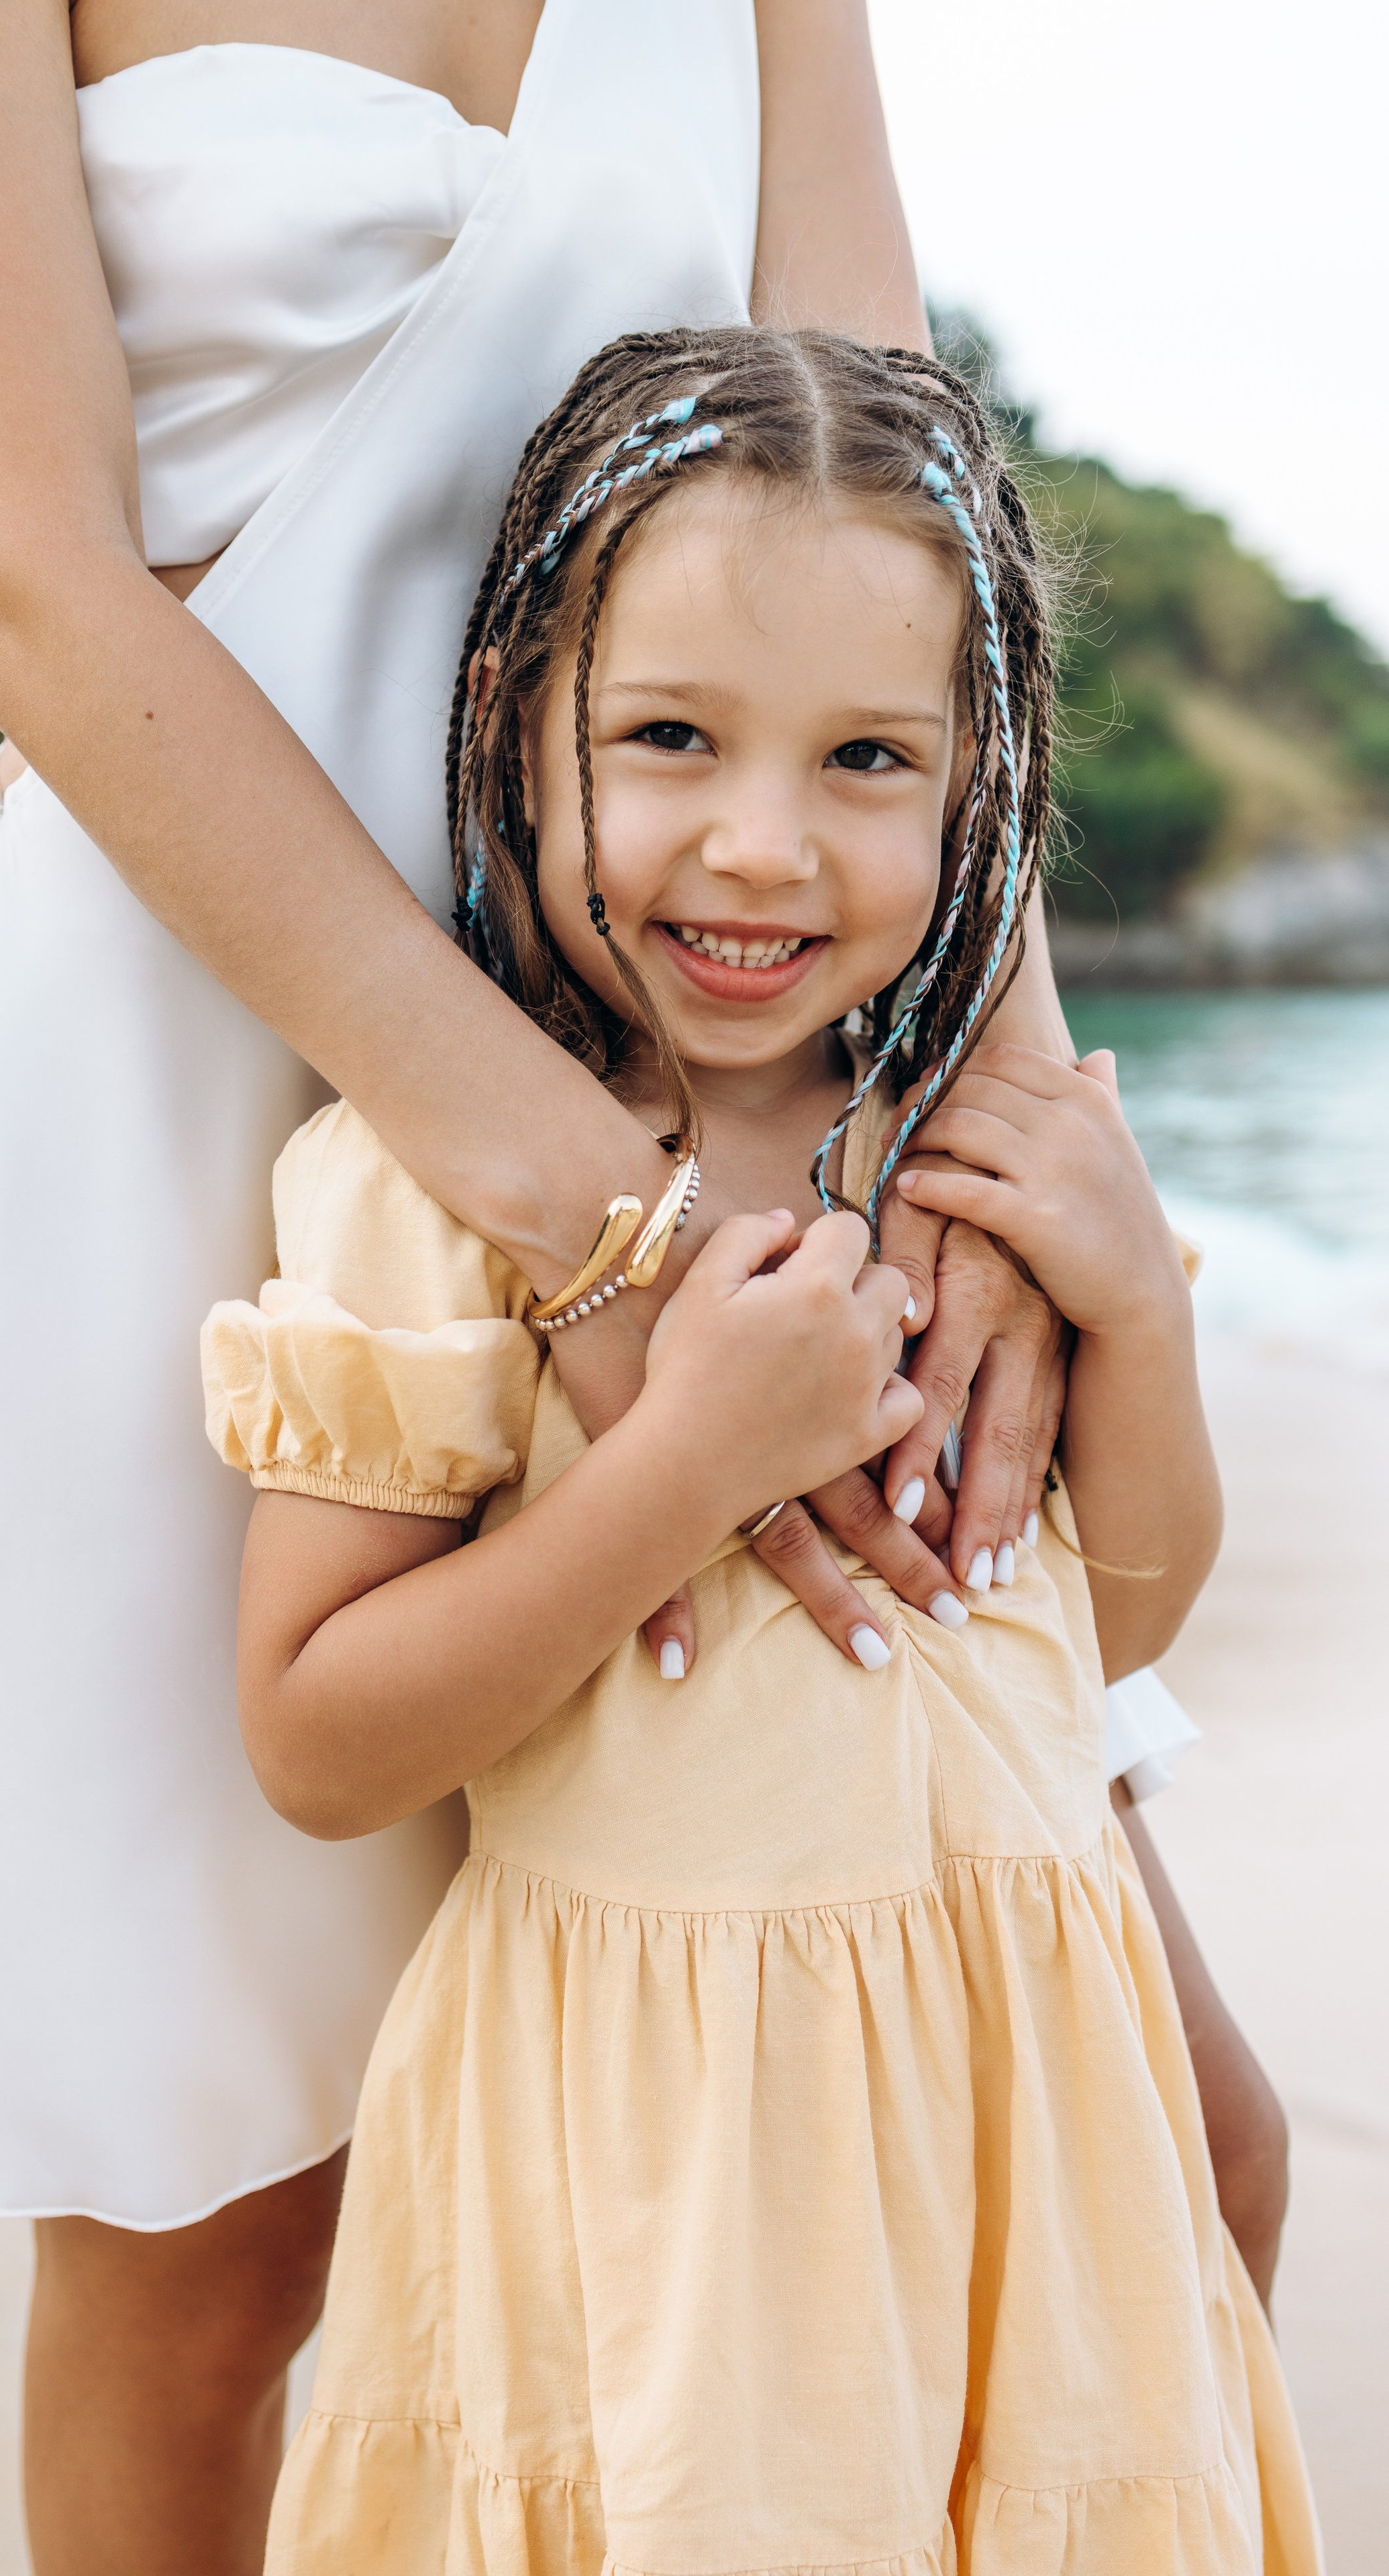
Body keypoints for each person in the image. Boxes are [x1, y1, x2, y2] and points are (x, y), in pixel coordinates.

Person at [0, 4, 1268, 2571]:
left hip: (747, 1023)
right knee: (220, 2248)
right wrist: (575, 1207)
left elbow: (903, 517)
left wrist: (1017, 1143)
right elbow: (23, 570)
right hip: (204, 1049)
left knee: (1173, 2139)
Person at [203, 327, 1321, 2573]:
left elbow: (1114, 1611)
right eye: (671, 738)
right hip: (670, 2144)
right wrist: (678, 1470)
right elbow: (320, 1739)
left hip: (1026, 2066)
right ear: (525, 720)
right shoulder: (450, 1189)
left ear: (976, 781)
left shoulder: (988, 1161)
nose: (760, 844)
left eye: (869, 759)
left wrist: (1138, 1320)